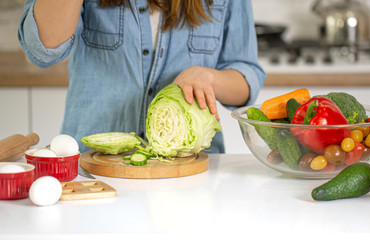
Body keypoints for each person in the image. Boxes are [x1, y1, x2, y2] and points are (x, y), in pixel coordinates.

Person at [18, 0, 266, 153]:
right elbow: (44, 50)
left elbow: (246, 77)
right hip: (92, 168)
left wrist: (207, 78)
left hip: (191, 171)